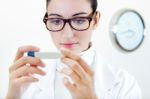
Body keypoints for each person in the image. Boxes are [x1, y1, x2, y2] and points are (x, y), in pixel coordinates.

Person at [6, 0, 142, 99]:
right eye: (56, 21)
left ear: (95, 20)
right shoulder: (28, 81)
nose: (68, 34)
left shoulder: (124, 84)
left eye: (79, 20)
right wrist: (12, 96)